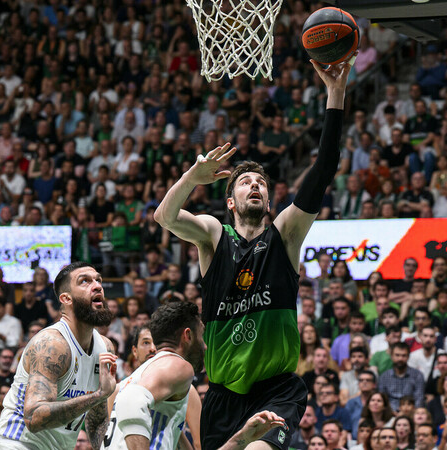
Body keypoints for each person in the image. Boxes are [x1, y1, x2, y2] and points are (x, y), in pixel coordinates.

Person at [155, 59, 351, 450]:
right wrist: (191, 178)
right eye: (245, 182)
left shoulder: (285, 235)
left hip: (275, 390)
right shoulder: (214, 235)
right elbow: (165, 216)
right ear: (231, 201)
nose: (255, 186)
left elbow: (325, 167)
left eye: (261, 182)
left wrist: (335, 94)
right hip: (224, 395)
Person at [0, 262, 117, 449]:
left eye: (98, 280)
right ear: (66, 299)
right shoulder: (52, 344)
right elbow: (34, 417)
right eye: (85, 281)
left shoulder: (104, 347)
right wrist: (98, 395)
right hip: (17, 445)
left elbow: (97, 420)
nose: (97, 285)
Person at [104, 301, 204, 449]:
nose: (204, 345)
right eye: (202, 336)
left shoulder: (132, 380)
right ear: (187, 335)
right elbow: (130, 401)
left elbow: (169, 432)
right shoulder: (178, 365)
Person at [379, 343, 425, 410]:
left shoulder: (417, 375)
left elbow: (419, 399)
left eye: (404, 356)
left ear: (408, 357)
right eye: (397, 355)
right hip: (389, 414)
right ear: (391, 356)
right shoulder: (384, 376)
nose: (400, 358)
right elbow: (383, 400)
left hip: (411, 414)